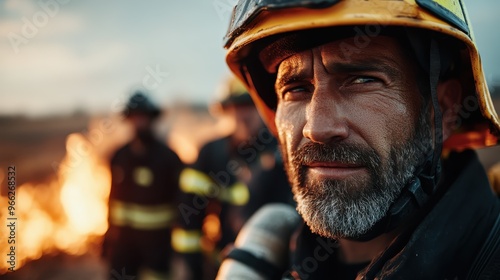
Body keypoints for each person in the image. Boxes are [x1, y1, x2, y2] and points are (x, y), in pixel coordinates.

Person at [220, 0, 500, 279]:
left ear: (444, 109)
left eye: (361, 80)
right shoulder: (274, 262)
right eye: (296, 89)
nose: (317, 129)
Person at [172, 76, 293, 279]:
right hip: (224, 261)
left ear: (263, 108)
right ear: (224, 111)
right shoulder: (210, 153)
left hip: (279, 261)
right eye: (235, 107)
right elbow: (189, 214)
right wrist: (192, 265)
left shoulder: (283, 150)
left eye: (249, 105)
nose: (242, 115)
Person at [103, 91, 184, 280]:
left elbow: (182, 202)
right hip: (124, 243)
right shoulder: (119, 156)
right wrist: (108, 236)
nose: (139, 122)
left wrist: (180, 248)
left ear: (152, 118)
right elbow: (112, 197)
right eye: (134, 117)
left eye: (143, 117)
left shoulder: (169, 158)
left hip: (158, 242)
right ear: (128, 120)